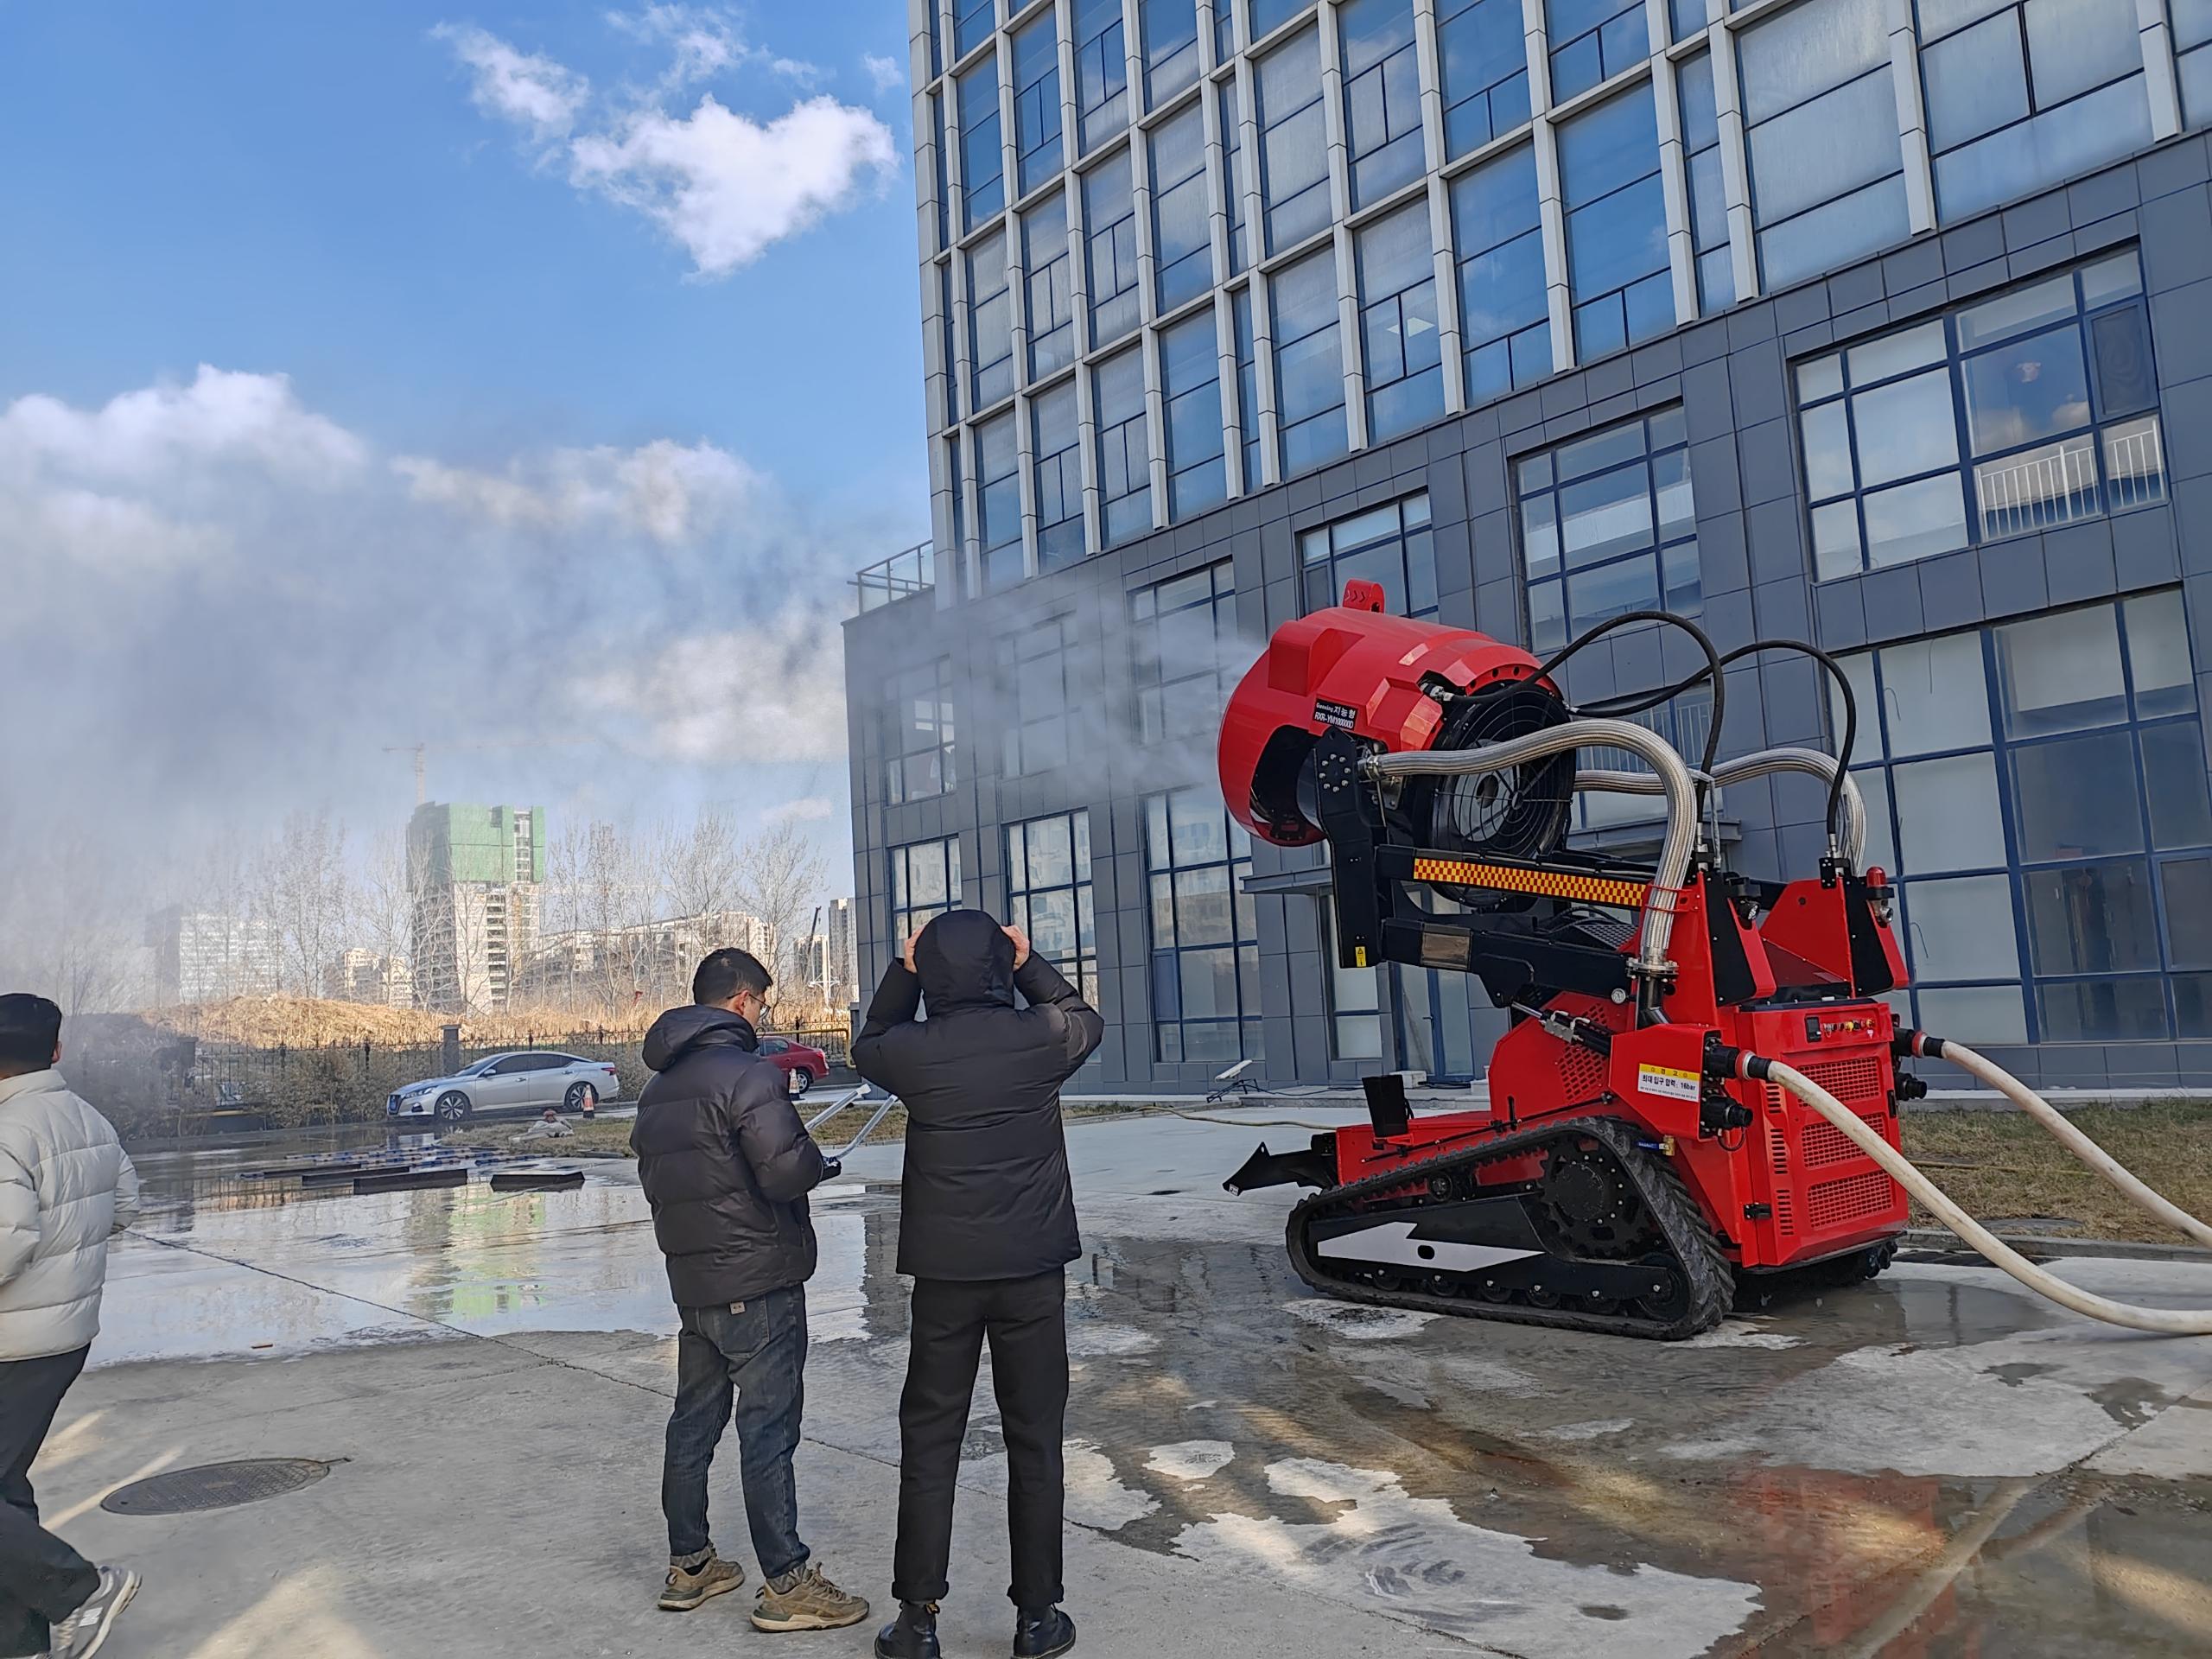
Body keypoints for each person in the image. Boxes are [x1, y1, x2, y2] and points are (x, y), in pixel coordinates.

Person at [853, 911, 1103, 1659]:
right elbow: (1085, 1018)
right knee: (1036, 1441)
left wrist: (904, 973)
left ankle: (917, 1620)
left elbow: (868, 1042)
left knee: (931, 1440)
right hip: (1032, 1273)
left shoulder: (912, 1051)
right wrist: (1029, 964)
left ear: (931, 973)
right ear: (1000, 965)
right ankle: (1038, 1618)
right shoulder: (1040, 1037)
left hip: (946, 1277)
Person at [631, 948, 869, 1635]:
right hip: (759, 1284)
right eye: (762, 1003)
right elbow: (785, 1172)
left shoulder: (657, 1091)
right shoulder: (748, 1076)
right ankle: (788, 1583)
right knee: (768, 1431)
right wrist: (815, 1163)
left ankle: (691, 1565)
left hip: (695, 1286)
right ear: (741, 1001)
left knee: (693, 1424)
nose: (763, 1015)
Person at [0, 994, 143, 1659]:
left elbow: (7, 1242)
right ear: (55, 1051)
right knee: (5, 1487)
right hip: (65, 1336)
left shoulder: (5, 1129)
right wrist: (68, 1250)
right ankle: (23, 1641)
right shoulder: (88, 1118)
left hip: (12, 1343)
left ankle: (80, 1591)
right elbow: (125, 1207)